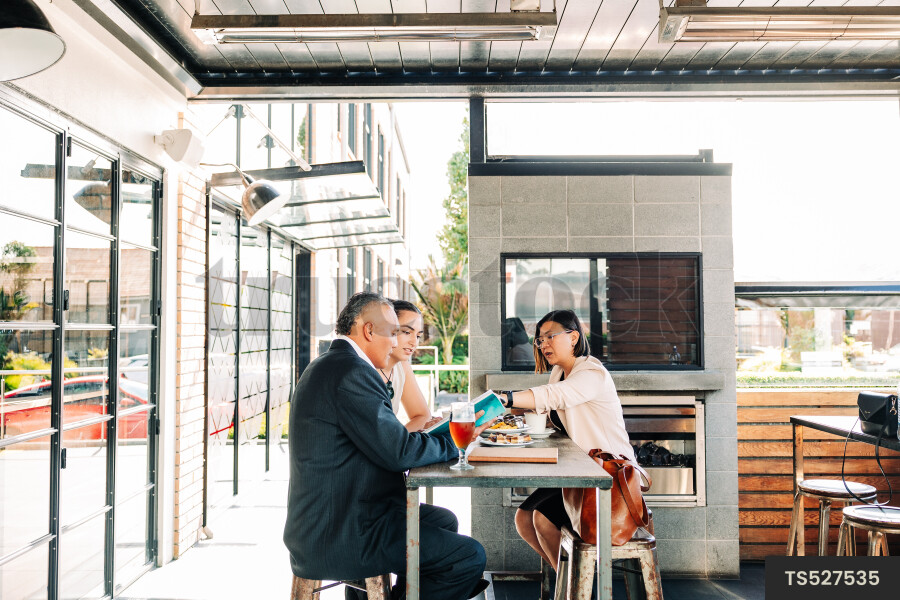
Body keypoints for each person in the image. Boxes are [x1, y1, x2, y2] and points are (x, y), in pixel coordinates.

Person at [284, 292, 494, 600]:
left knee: (444, 521)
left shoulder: (334, 364)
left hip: (340, 515)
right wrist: (460, 438)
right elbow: (400, 452)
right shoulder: (352, 373)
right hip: (343, 531)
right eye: (394, 333)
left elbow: (389, 442)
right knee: (468, 556)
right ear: (369, 330)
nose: (397, 342)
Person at [496, 309, 634, 570]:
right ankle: (567, 582)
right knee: (524, 518)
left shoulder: (592, 372)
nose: (543, 344)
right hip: (580, 475)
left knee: (542, 520)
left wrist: (506, 398)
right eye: (540, 339)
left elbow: (556, 395)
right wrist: (503, 415)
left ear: (573, 337)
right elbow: (551, 409)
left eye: (550, 336)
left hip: (609, 477)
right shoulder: (559, 371)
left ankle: (572, 586)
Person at [379, 299, 441, 432]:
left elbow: (423, 416)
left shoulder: (402, 366)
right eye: (407, 332)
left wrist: (402, 439)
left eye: (418, 336)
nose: (414, 343)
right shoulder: (365, 368)